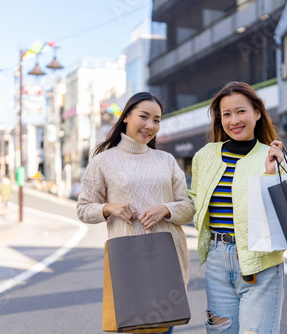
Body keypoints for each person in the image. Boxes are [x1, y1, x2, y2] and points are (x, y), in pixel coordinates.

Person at [76, 92, 195, 334]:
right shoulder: (103, 161)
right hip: (128, 260)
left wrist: (166, 210)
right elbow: (84, 209)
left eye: (157, 120)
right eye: (144, 117)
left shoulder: (167, 160)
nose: (150, 126)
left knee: (164, 329)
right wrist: (110, 208)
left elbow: (189, 208)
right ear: (127, 116)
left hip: (168, 261)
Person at [188, 81, 286, 333]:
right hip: (217, 261)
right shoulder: (205, 155)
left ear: (256, 113)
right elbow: (193, 202)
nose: (234, 120)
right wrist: (165, 208)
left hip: (260, 262)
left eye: (241, 111)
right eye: (226, 114)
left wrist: (270, 173)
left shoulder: (270, 155)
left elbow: (280, 215)